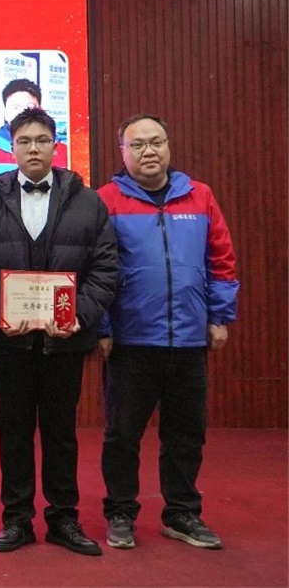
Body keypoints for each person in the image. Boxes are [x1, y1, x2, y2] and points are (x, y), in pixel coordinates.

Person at [0, 108, 117, 557]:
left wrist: (78, 315)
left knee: (61, 431)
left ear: (56, 145)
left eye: (42, 140)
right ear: (11, 148)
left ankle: (64, 518)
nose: (34, 148)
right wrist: (0, 311)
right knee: (13, 430)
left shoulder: (88, 202)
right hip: (11, 339)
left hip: (66, 339)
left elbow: (106, 268)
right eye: (25, 141)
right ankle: (16, 520)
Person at [96, 114, 239, 551]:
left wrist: (219, 316)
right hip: (131, 340)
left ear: (169, 145)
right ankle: (120, 513)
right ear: (122, 152)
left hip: (190, 338)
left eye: (156, 142)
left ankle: (181, 513)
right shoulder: (106, 201)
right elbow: (96, 269)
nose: (149, 151)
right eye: (138, 145)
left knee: (186, 434)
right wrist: (102, 326)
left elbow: (222, 260)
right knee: (122, 435)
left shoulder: (199, 195)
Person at [0, 79, 68, 189]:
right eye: (16, 107)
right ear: (5, 113)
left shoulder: (65, 152)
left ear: (40, 110)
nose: (23, 112)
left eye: (30, 106)